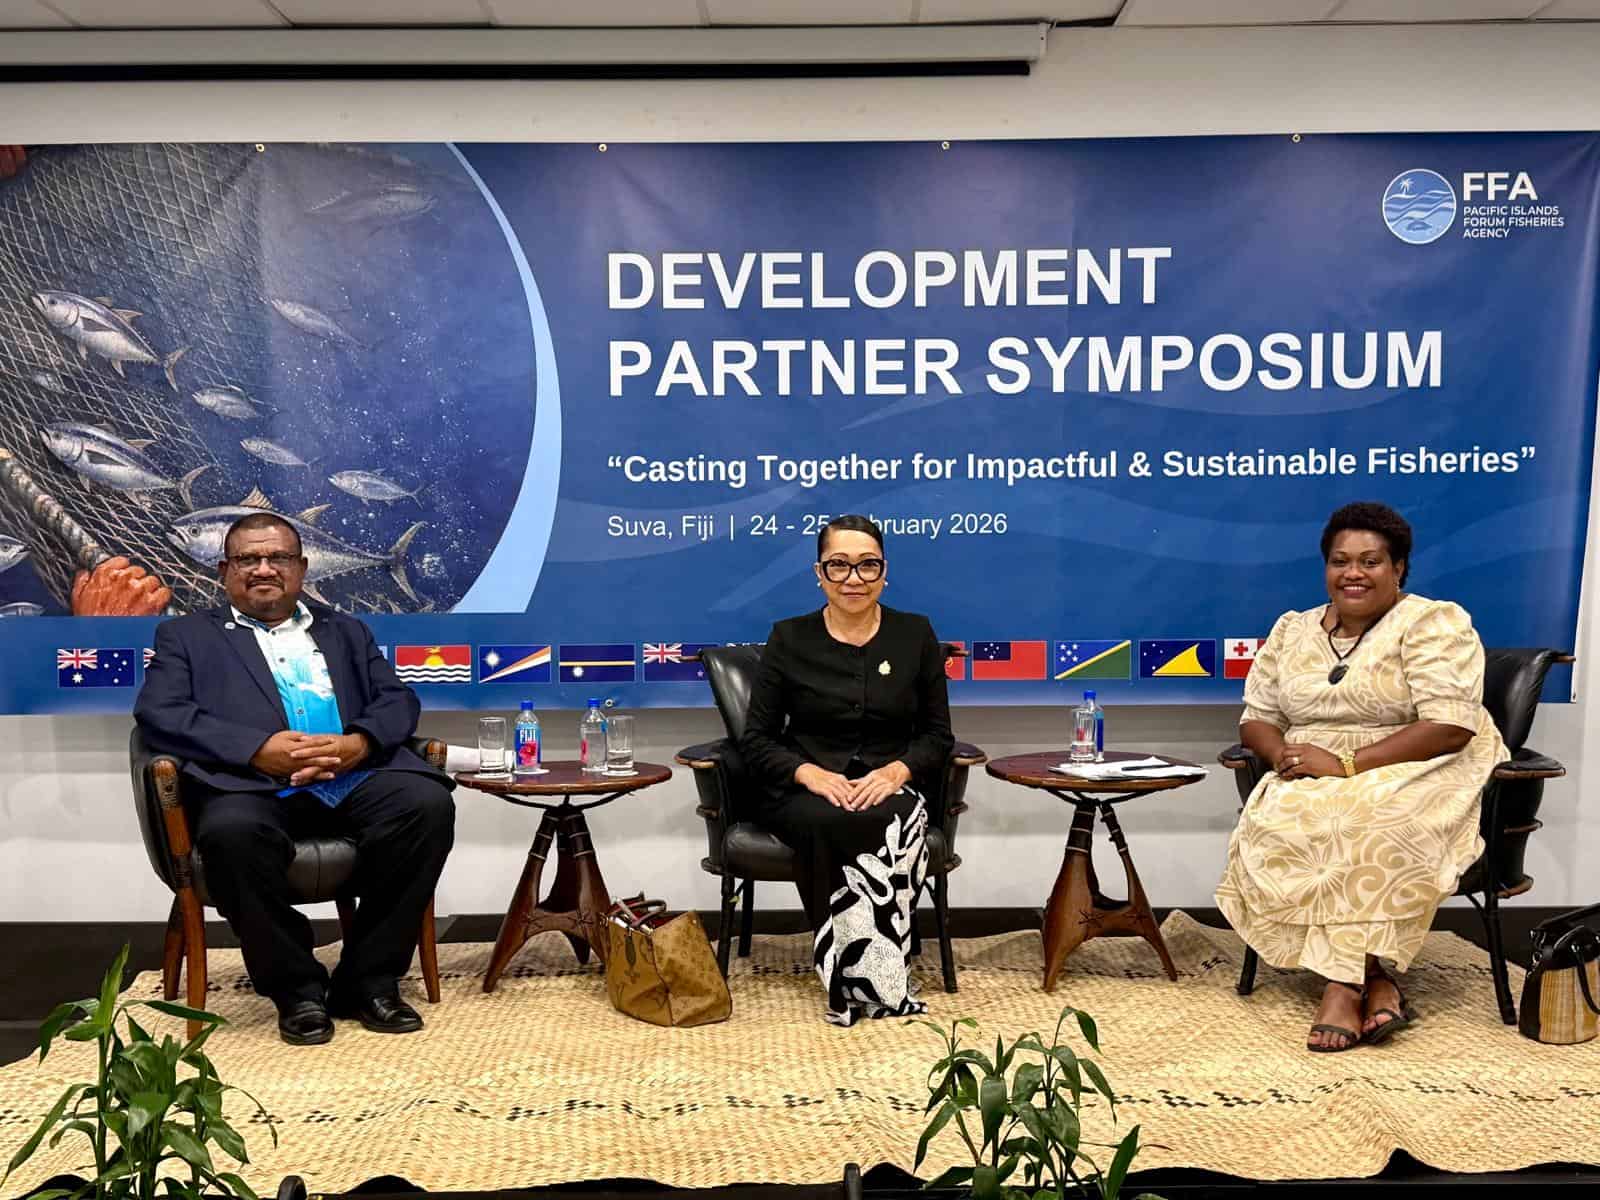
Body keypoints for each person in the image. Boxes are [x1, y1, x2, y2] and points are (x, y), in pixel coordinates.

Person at [134, 512, 454, 1046]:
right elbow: (160, 712)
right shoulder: (185, 636)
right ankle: (297, 989)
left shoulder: (346, 630)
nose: (264, 569)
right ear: (224, 571)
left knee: (425, 805)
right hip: (250, 784)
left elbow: (398, 700)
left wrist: (359, 744)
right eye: (248, 559)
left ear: (302, 568)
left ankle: (368, 980)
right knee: (231, 835)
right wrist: (256, 750)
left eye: (278, 557)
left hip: (349, 777)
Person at [1215, 501, 1505, 1053]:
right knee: (1294, 815)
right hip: (1313, 765)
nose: (1353, 573)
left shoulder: (1433, 623)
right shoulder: (1292, 629)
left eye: (1370, 561)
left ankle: (1342, 986)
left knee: (1365, 817)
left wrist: (1346, 764)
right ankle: (1378, 981)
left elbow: (1449, 726)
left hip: (1418, 762)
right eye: (1340, 561)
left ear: (1399, 568)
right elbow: (1257, 719)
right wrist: (1282, 755)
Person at [740, 514, 954, 1026]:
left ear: (884, 572)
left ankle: (867, 976)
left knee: (884, 816)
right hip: (804, 789)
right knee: (832, 816)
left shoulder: (915, 634)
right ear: (819, 574)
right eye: (839, 565)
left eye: (867, 565)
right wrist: (808, 774)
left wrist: (897, 772)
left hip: (890, 785)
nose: (853, 578)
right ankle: (861, 977)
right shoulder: (789, 637)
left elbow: (937, 736)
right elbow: (756, 739)